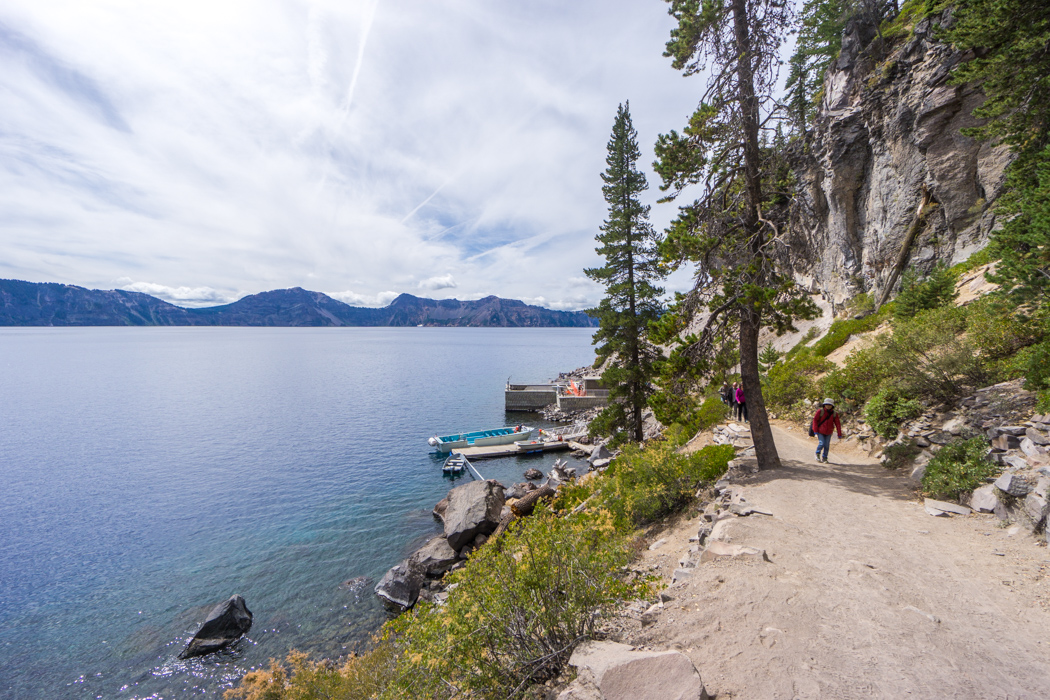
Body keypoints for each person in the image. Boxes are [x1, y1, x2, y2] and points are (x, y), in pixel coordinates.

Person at [812, 398, 843, 463]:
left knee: (827, 445)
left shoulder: (834, 414)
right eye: (826, 404)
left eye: (829, 405)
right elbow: (815, 420)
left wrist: (839, 434)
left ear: (832, 406)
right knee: (821, 443)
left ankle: (825, 458)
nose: (828, 406)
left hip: (829, 432)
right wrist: (815, 430)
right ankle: (817, 454)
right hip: (820, 431)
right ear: (824, 405)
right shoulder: (820, 411)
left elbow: (838, 424)